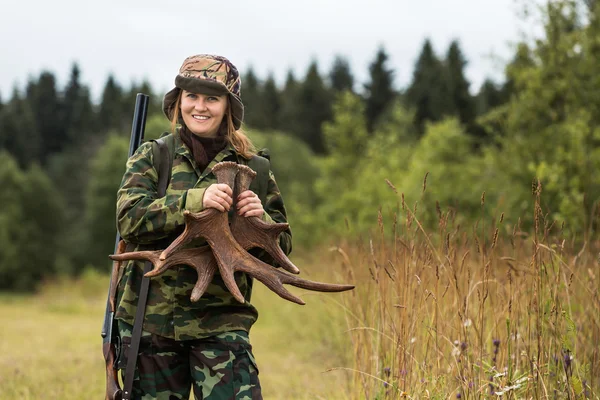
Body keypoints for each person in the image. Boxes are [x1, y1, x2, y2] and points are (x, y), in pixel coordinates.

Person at [114, 54, 292, 399]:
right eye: (192, 96)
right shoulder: (153, 157)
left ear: (228, 108)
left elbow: (283, 255)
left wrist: (262, 223)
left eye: (212, 98)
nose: (200, 106)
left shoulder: (256, 169)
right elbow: (128, 219)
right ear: (178, 102)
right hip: (151, 323)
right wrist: (194, 202)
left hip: (223, 324)